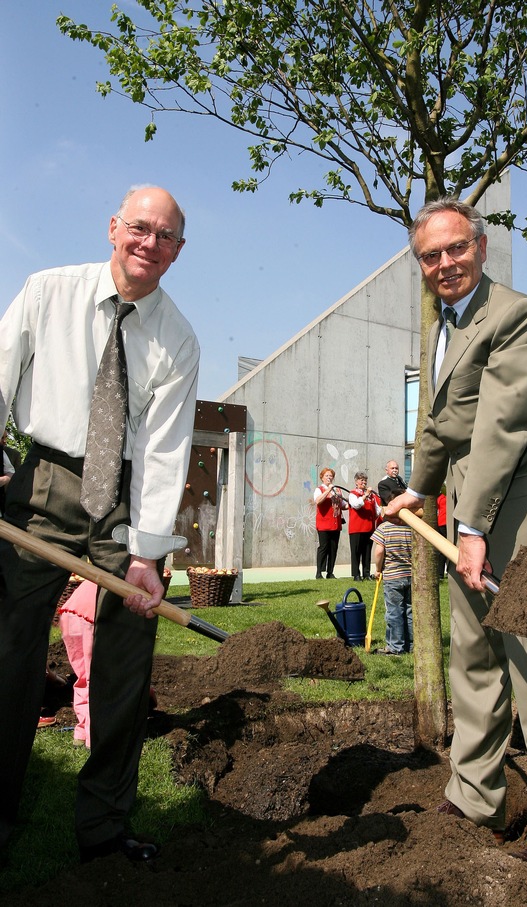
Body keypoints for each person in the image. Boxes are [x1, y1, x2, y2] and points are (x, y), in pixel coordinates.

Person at [386, 197, 527, 889]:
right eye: (429, 255)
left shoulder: (517, 317)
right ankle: (477, 795)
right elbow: (445, 422)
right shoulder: (448, 324)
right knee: (475, 663)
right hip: (471, 524)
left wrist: (470, 528)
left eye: (454, 249)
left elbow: (502, 427)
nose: (443, 264)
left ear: (480, 245)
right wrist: (420, 487)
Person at [0, 185, 200, 863]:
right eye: (140, 228)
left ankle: (105, 830)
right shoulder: (46, 291)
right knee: (8, 653)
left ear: (178, 250)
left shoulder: (177, 339)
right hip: (41, 486)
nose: (150, 243)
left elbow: (165, 451)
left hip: (120, 501)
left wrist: (145, 553)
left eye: (166, 235)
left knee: (122, 664)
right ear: (114, 227)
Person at [57, 580, 98, 749]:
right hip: (93, 614)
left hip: (70, 612)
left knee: (83, 677)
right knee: (97, 678)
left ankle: (81, 733)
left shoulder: (104, 565)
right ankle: (93, 737)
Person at [370, 491, 413, 654]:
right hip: (410, 575)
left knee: (394, 612)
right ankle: (410, 644)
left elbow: (379, 551)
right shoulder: (411, 528)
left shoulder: (384, 528)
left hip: (393, 576)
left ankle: (396, 646)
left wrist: (378, 569)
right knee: (409, 611)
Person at [313, 467, 347, 579]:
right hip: (323, 524)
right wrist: (328, 490)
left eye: (331, 476)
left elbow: (342, 505)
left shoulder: (337, 491)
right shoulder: (319, 489)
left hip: (335, 524)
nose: (329, 477)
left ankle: (330, 572)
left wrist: (352, 504)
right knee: (323, 547)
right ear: (322, 478)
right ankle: (319, 572)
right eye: (327, 476)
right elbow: (318, 501)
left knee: (333, 548)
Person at [348, 471, 381, 581]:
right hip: (356, 528)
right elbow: (356, 505)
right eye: (361, 480)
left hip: (369, 528)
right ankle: (356, 574)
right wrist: (365, 495)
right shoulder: (353, 494)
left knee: (367, 552)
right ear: (356, 482)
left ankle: (366, 573)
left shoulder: (372, 496)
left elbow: (376, 510)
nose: (364, 482)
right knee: (356, 552)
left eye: (365, 480)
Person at [0, 430, 21, 517]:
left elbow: (11, 472)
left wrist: (2, 480)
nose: (5, 441)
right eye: (2, 437)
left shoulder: (2, 453)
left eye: (6, 437)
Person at [436, 486, 448, 580]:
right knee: (443, 550)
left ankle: (441, 573)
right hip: (443, 523)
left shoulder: (442, 496)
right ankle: (440, 573)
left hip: (443, 523)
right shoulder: (440, 496)